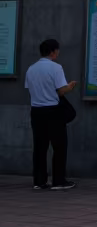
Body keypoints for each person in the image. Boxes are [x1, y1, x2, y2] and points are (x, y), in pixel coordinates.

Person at [25, 38, 77, 191]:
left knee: (40, 147)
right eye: (57, 50)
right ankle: (58, 180)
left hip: (36, 111)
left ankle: (39, 181)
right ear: (53, 51)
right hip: (53, 111)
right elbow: (61, 90)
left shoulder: (31, 69)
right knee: (59, 146)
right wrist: (70, 86)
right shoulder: (56, 68)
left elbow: (30, 89)